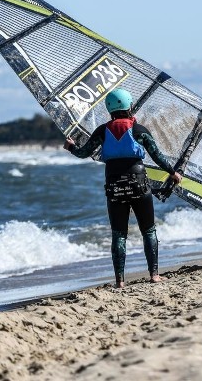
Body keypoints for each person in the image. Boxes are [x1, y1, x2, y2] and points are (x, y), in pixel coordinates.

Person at [64, 88, 182, 288]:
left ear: (109, 108)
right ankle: (154, 275)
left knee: (119, 234)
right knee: (148, 230)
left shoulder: (102, 131)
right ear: (129, 106)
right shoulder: (139, 130)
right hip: (138, 184)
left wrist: (71, 147)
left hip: (114, 185)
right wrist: (173, 172)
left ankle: (120, 280)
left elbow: (84, 153)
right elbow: (157, 155)